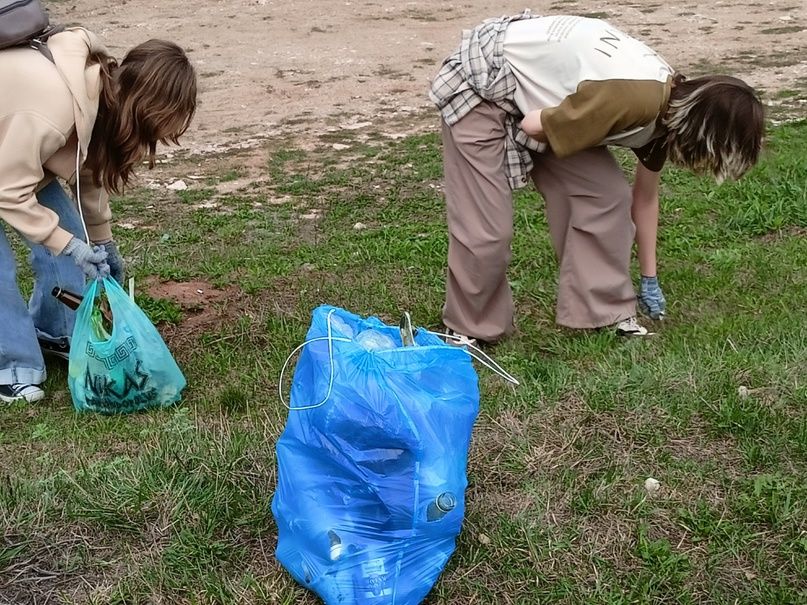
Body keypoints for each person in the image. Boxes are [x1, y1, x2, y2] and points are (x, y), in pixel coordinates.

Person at [429, 12, 764, 344]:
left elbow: (644, 199)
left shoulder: (668, 115)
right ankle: (469, 328)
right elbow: (532, 125)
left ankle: (603, 314)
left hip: (548, 98)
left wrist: (650, 278)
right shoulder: (634, 101)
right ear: (705, 133)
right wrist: (562, 124)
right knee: (488, 227)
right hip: (489, 76)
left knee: (606, 196)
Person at [0, 28, 197, 403]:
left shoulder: (97, 99)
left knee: (72, 240)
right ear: (146, 107)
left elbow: (86, 172)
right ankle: (9, 365)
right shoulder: (55, 108)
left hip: (11, 154)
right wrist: (69, 245)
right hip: (7, 169)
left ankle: (55, 330)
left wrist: (102, 243)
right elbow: (8, 192)